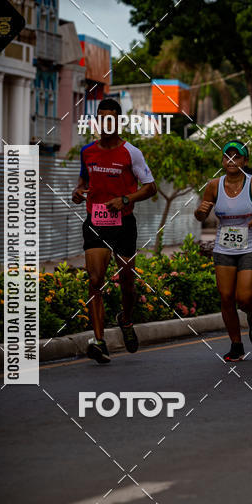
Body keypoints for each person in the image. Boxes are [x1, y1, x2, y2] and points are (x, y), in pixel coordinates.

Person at [72, 98, 156, 363]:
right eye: (102, 117)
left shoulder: (132, 152)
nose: (106, 123)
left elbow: (150, 187)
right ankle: (99, 341)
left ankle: (126, 319)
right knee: (95, 280)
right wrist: (77, 191)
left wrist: (126, 199)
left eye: (112, 118)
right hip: (96, 222)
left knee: (127, 284)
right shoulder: (87, 151)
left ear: (119, 122)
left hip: (123, 224)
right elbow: (84, 179)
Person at [194, 140, 252, 361]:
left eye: (236, 157)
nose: (231, 160)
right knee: (225, 297)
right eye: (227, 156)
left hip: (251, 246)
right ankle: (236, 345)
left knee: (244, 297)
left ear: (244, 161)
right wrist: (200, 212)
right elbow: (202, 215)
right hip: (224, 246)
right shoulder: (214, 185)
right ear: (223, 160)